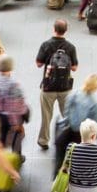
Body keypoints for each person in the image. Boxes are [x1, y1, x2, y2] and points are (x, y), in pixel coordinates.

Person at [34, 19, 79, 150]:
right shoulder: (70, 47)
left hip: (48, 86)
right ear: (66, 30)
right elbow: (75, 68)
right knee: (67, 116)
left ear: (54, 29)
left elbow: (38, 64)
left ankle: (43, 140)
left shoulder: (46, 45)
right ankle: (67, 141)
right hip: (65, 87)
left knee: (46, 116)